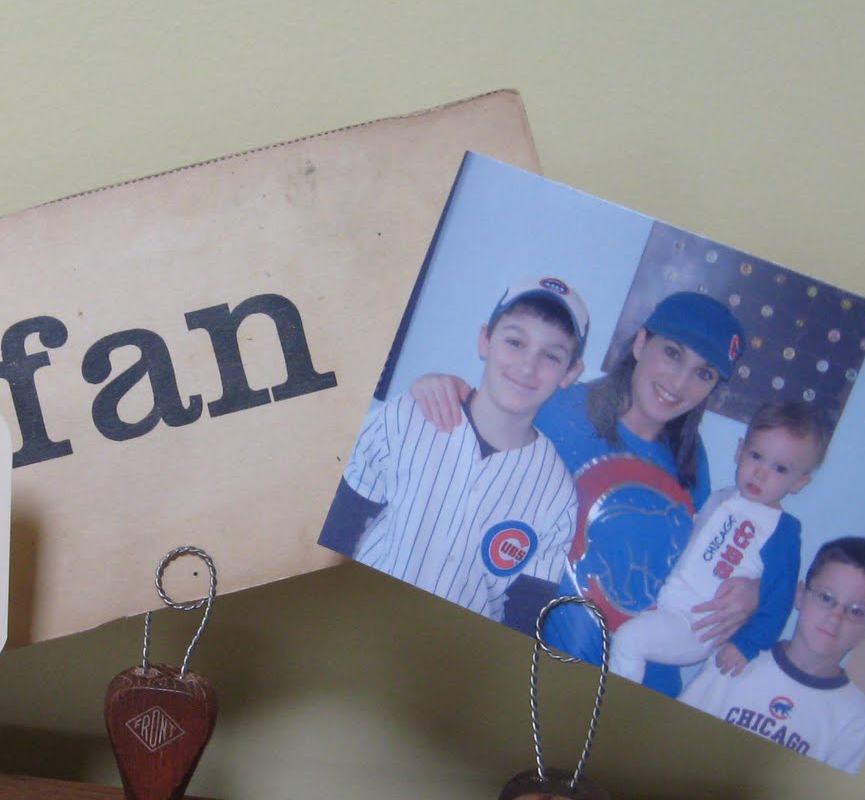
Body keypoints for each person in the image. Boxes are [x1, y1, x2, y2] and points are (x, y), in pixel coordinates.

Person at [410, 290, 759, 694]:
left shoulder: (693, 461)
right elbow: (475, 435)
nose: (680, 383)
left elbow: (700, 567)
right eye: (673, 353)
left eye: (704, 373)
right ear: (641, 342)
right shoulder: (557, 406)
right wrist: (435, 387)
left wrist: (750, 591)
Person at [318, 275, 588, 626]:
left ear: (570, 373)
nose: (527, 366)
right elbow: (336, 529)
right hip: (353, 618)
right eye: (515, 341)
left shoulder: (557, 495)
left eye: (551, 356)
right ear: (484, 340)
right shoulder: (409, 414)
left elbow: (522, 618)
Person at [607, 399, 830, 685]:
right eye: (756, 456)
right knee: (614, 628)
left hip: (696, 623)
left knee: (629, 640)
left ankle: (612, 705)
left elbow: (779, 596)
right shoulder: (720, 497)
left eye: (780, 469)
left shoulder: (781, 530)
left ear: (799, 482)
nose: (761, 473)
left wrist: (747, 644)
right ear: (740, 451)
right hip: (662, 602)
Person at [679, 536, 865, 773]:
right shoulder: (733, 661)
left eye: (855, 611)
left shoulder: (856, 721)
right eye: (826, 598)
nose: (835, 617)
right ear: (800, 595)